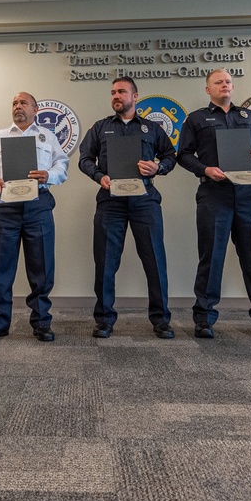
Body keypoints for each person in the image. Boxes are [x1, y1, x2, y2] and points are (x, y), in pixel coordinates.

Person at [177, 69, 251, 340]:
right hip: (214, 195)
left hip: (248, 195)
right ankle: (204, 318)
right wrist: (205, 170)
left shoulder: (249, 117)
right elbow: (183, 155)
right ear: (208, 90)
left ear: (232, 87)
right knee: (211, 258)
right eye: (218, 82)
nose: (224, 85)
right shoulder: (196, 119)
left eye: (227, 81)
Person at [78, 77, 177, 339]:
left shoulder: (152, 128)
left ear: (135, 96)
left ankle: (161, 320)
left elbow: (170, 156)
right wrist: (99, 176)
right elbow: (85, 158)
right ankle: (104, 320)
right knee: (106, 262)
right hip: (111, 202)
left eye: (121, 91)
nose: (116, 96)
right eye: (113, 92)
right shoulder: (100, 128)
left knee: (155, 261)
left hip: (145, 200)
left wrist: (159, 167)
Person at [0, 92, 69, 343]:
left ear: (35, 109)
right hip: (6, 208)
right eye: (14, 103)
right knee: (0, 268)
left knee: (42, 268)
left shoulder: (47, 137)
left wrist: (49, 175)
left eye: (23, 103)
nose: (18, 107)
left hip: (38, 206)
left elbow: (62, 165)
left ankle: (41, 323)